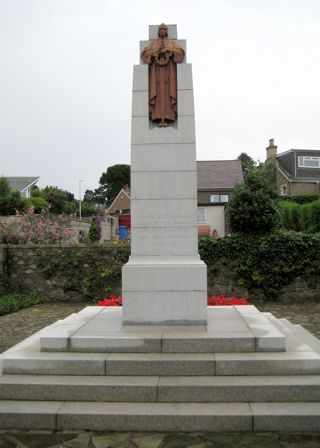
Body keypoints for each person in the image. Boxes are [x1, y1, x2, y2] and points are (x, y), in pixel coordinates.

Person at [141, 23, 185, 127]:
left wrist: (168, 50)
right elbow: (144, 54)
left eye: (164, 29)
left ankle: (167, 117)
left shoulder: (171, 43)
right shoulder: (153, 44)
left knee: (167, 95)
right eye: (160, 29)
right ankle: (158, 117)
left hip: (169, 75)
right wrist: (155, 51)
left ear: (166, 32)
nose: (162, 31)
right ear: (158, 32)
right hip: (156, 75)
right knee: (157, 96)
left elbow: (180, 53)